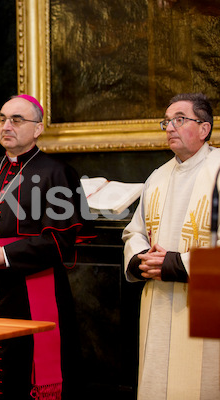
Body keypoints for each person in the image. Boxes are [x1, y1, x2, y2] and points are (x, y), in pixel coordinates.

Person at [0, 95, 84, 400]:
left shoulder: (57, 174)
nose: (7, 125)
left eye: (17, 120)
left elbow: (60, 240)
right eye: (2, 119)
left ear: (38, 128)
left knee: (25, 375)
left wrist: (4, 255)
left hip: (30, 294)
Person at [122, 92, 220, 399]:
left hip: (206, 298)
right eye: (167, 121)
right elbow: (134, 232)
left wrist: (176, 264)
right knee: (157, 382)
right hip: (159, 298)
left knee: (197, 384)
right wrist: (140, 259)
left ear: (204, 129)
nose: (170, 127)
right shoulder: (158, 177)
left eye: (180, 119)